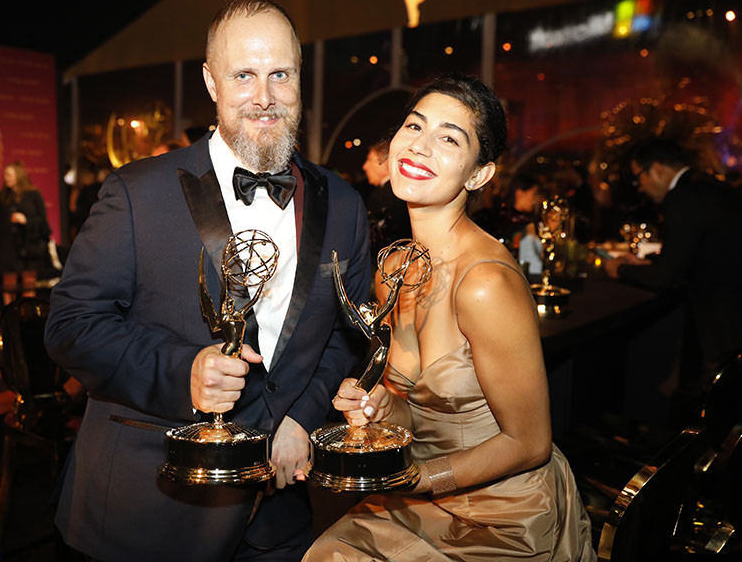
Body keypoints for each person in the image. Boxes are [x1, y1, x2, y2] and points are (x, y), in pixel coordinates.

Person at [44, 0, 370, 561]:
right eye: (243, 75)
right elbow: (71, 326)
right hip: (146, 510)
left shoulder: (342, 203)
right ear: (211, 82)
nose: (264, 97)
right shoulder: (135, 193)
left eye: (280, 75)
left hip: (276, 514)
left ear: (300, 79)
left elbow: (347, 330)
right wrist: (182, 370)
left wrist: (301, 416)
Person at [304, 74, 594, 561]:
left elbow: (530, 442)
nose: (419, 147)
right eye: (414, 127)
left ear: (479, 174)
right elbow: (410, 406)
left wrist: (420, 478)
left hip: (505, 517)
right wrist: (374, 405)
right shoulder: (396, 266)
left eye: (448, 138)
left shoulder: (484, 283)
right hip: (420, 498)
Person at [605, 137, 742, 382]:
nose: (639, 187)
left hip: (724, 322)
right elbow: (695, 253)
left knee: (721, 398)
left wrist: (621, 269)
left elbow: (667, 278)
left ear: (657, 168)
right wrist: (651, 265)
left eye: (639, 177)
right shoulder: (709, 186)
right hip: (732, 312)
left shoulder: (682, 197)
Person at [0, 161, 51, 305]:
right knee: (9, 285)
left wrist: (26, 220)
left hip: (29, 246)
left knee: (28, 283)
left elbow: (43, 222)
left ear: (18, 175)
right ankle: (10, 315)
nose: (6, 177)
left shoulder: (33, 194)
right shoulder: (2, 196)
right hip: (8, 248)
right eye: (5, 175)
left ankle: (29, 314)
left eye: (9, 174)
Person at [362, 139, 412, 257]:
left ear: (386, 163)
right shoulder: (408, 191)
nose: (365, 166)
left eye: (369, 160)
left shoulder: (381, 197)